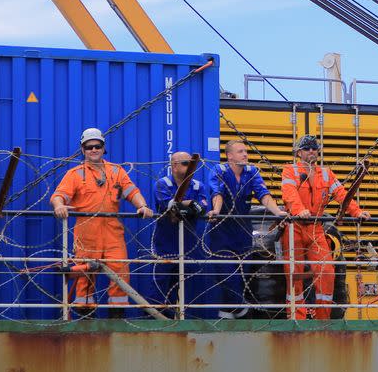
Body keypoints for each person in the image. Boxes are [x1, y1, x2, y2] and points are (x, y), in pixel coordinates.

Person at [50, 128, 153, 319]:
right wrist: (59, 206)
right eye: (89, 147)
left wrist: (143, 206)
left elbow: (132, 191)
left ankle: (116, 318)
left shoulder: (116, 171)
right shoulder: (75, 174)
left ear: (103, 148)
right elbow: (58, 196)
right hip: (86, 234)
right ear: (83, 150)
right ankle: (85, 319)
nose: (93, 150)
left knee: (120, 275)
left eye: (97, 146)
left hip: (113, 234)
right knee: (85, 278)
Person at [280, 135, 370, 320]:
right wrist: (299, 210)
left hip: (316, 228)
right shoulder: (290, 171)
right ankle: (296, 317)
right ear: (299, 153)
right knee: (294, 272)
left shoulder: (327, 174)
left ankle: (323, 317)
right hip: (294, 227)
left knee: (327, 271)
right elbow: (289, 194)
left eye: (314, 148)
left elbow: (342, 195)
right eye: (307, 149)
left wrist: (357, 212)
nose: (311, 151)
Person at [206, 139, 286, 319]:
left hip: (242, 230)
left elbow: (263, 194)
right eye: (241, 151)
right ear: (230, 156)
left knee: (244, 271)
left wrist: (277, 212)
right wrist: (217, 211)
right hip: (222, 230)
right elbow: (217, 192)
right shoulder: (219, 171)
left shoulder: (251, 172)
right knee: (227, 273)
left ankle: (229, 312)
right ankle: (239, 309)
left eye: (245, 151)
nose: (245, 155)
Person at [149, 152, 208, 318]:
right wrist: (189, 204)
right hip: (165, 244)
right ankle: (157, 320)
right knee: (161, 284)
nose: (190, 166)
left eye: (190, 163)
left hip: (189, 244)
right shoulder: (163, 184)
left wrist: (183, 208)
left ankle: (190, 320)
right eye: (184, 163)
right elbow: (168, 206)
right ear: (174, 166)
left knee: (191, 285)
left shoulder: (197, 185)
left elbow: (202, 208)